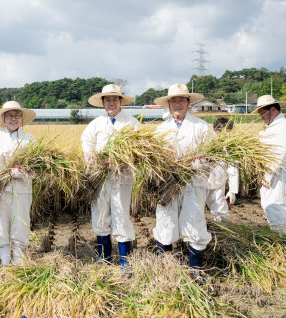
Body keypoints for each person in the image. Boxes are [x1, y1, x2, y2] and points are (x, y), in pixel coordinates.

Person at [152, 83, 213, 278]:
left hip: (193, 183)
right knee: (165, 223)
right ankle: (166, 270)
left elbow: (211, 155)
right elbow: (153, 158)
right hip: (167, 184)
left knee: (194, 222)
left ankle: (195, 270)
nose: (177, 104)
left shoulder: (201, 127)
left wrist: (196, 164)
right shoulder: (160, 130)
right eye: (173, 100)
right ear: (168, 104)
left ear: (188, 102)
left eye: (181, 100)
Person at [81, 84, 140, 272]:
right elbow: (87, 145)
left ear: (120, 101)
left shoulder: (132, 123)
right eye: (108, 100)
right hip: (100, 177)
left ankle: (125, 261)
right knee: (100, 216)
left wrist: (125, 160)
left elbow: (141, 148)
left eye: (115, 99)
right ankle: (104, 258)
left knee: (121, 215)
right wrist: (94, 161)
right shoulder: (96, 124)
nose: (111, 103)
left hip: (122, 176)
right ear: (103, 103)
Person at [0, 101, 36, 266]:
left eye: (16, 115)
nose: (13, 119)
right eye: (9, 115)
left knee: (21, 225)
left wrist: (23, 173)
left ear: (21, 118)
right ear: (3, 118)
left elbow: (36, 168)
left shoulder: (29, 140)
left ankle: (19, 263)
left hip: (22, 191)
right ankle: (5, 262)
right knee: (0, 225)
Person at [253, 95, 286, 235]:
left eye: (262, 112)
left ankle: (283, 243)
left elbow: (281, 152)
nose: (260, 116)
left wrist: (270, 175)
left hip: (280, 174)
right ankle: (284, 242)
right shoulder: (274, 125)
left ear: (272, 109)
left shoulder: (282, 126)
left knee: (277, 209)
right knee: (277, 209)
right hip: (277, 174)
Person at [205, 117, 239, 222]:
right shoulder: (206, 142)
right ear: (215, 131)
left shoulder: (231, 147)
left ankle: (220, 228)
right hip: (201, 181)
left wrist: (233, 190)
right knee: (196, 207)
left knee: (219, 208)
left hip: (218, 182)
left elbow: (233, 169)